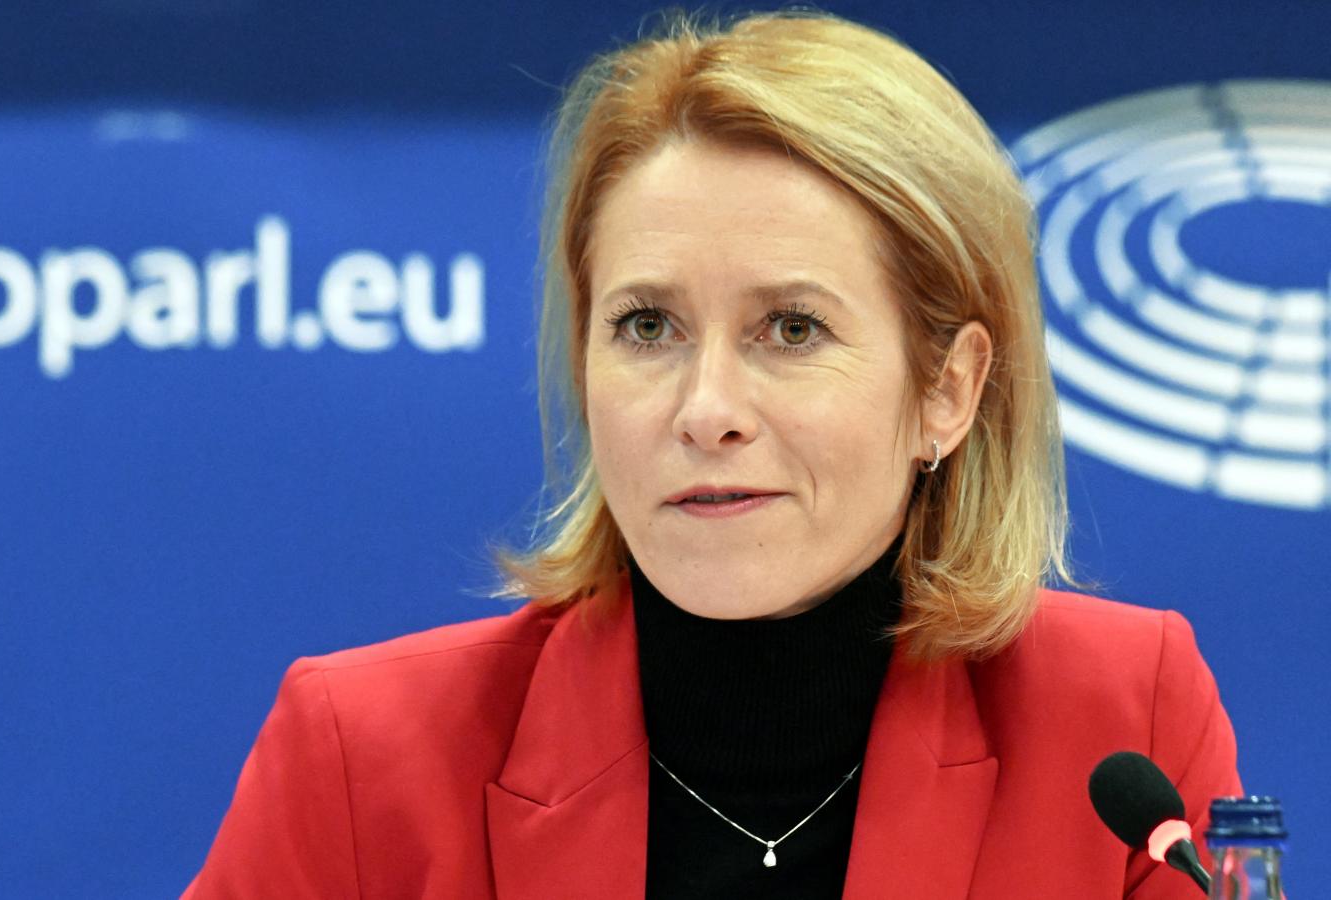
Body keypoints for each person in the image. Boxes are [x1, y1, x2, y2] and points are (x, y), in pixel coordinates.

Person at [182, 10, 1239, 898]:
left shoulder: (1120, 723)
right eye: (648, 327)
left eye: (791, 329)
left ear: (947, 390)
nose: (706, 411)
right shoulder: (360, 758)